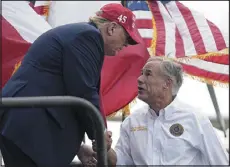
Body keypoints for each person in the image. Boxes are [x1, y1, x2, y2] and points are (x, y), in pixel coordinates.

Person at [0, 3, 142, 167]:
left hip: (26, 124)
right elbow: (83, 90)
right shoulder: (88, 37)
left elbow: (68, 89)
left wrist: (78, 148)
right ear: (111, 28)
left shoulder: (80, 34)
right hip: (29, 126)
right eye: (126, 39)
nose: (125, 46)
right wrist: (100, 133)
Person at [97, 57, 229, 166]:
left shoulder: (195, 118)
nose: (139, 79)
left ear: (167, 83)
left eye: (147, 74)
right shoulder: (132, 121)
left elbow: (220, 162)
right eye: (141, 73)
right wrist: (106, 149)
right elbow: (120, 163)